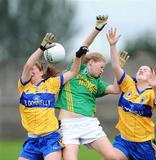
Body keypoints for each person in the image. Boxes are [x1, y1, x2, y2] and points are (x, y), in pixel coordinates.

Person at [55, 16, 122, 160]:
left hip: (89, 123)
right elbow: (84, 46)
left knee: (114, 157)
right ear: (91, 62)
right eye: (101, 66)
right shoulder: (77, 68)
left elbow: (116, 89)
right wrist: (97, 29)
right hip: (68, 125)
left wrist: (119, 68)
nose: (102, 70)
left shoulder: (98, 82)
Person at [18, 33, 86, 160]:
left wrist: (78, 57)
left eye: (35, 68)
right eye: (30, 68)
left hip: (50, 138)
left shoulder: (52, 83)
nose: (31, 69)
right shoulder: (24, 86)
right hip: (32, 140)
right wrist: (42, 48)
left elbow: (73, 72)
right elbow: (27, 65)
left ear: (42, 72)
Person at [106, 28, 156, 160]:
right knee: (109, 157)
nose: (141, 70)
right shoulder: (128, 84)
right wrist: (113, 45)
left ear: (152, 76)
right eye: (140, 69)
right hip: (123, 141)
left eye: (145, 69)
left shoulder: (151, 92)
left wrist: (155, 88)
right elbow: (115, 66)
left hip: (143, 145)